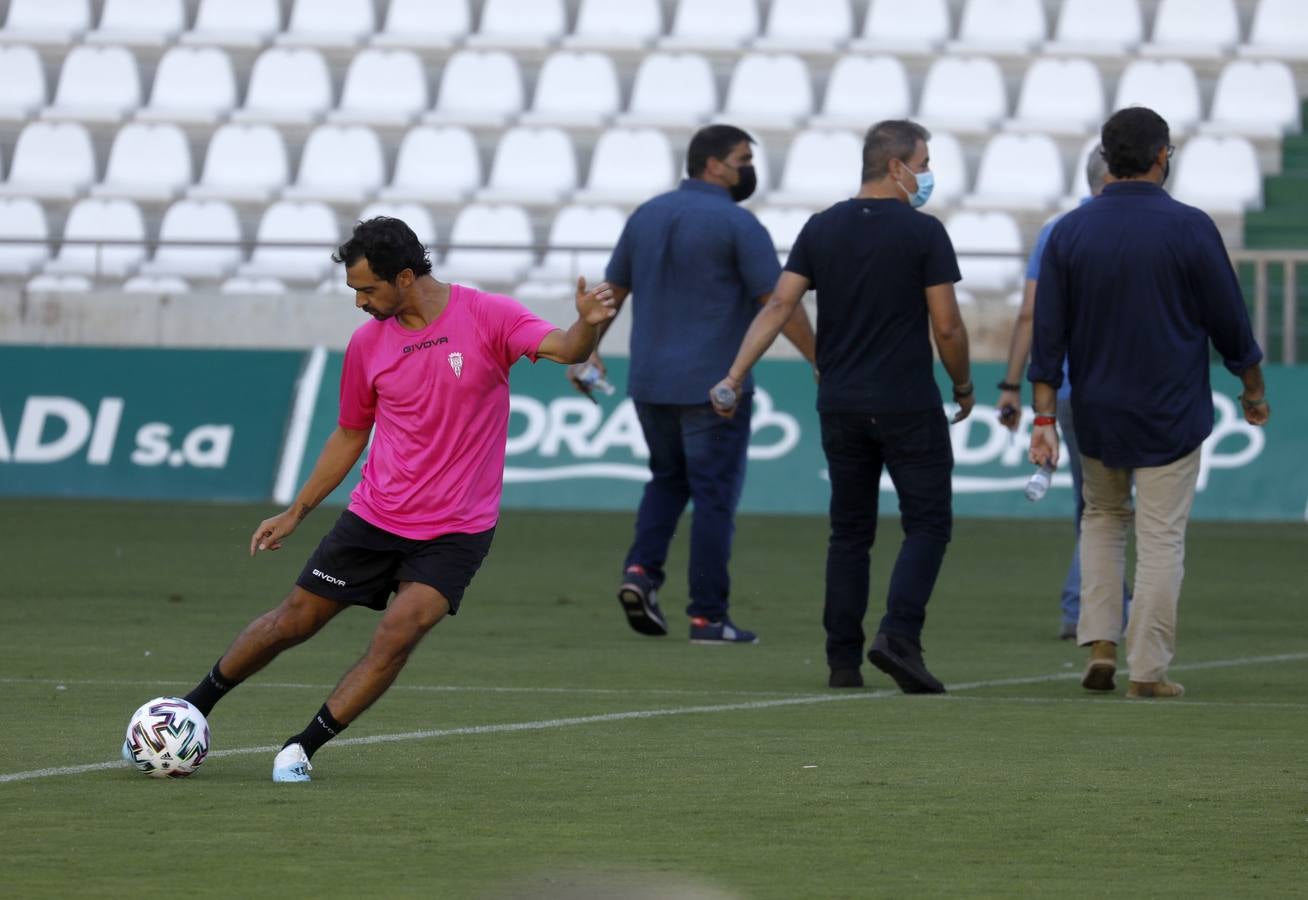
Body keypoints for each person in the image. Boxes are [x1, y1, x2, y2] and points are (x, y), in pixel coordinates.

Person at [151, 217, 616, 781]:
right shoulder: (367, 344)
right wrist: (296, 512)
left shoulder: (487, 315)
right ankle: (192, 707)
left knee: (399, 632)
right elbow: (350, 433)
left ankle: (302, 747)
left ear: (403, 277)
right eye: (354, 292)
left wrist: (587, 328)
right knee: (292, 622)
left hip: (457, 530)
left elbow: (566, 347)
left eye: (367, 290)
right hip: (376, 517)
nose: (360, 303)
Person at [711, 119, 973, 692]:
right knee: (927, 524)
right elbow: (948, 327)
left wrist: (734, 373)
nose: (927, 176)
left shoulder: (821, 228)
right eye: (924, 164)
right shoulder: (923, 233)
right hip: (906, 402)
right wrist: (963, 385)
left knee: (850, 533)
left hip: (841, 403)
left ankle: (842, 660)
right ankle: (899, 637)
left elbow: (780, 305)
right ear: (897, 166)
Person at [1028, 107, 1269, 699]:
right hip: (1170, 407)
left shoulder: (1069, 231)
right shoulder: (1190, 227)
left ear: (1108, 160)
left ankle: (1101, 647)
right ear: (1162, 155)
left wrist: (1041, 415)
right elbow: (1229, 321)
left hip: (1094, 407)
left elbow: (1047, 333)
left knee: (1103, 522)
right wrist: (1253, 387)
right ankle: (1149, 670)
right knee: (1161, 538)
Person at [571, 123, 816, 645]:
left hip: (650, 382)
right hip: (714, 388)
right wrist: (821, 359)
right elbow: (777, 304)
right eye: (743, 158)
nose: (748, 168)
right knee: (713, 499)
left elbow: (611, 290)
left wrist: (588, 350)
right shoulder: (737, 224)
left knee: (666, 480)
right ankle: (707, 615)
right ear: (713, 164)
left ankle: (640, 572)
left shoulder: (646, 215)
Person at [995, 147, 1131, 640]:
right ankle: (1092, 607)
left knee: (1093, 502)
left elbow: (1031, 314)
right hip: (1137, 387)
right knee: (1120, 506)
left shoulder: (1059, 229)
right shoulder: (1149, 226)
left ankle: (1096, 604)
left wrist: (1012, 385)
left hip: (1071, 389)